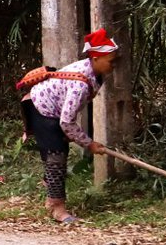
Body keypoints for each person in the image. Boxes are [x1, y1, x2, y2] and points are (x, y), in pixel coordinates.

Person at [19, 29, 118, 224]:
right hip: (41, 107)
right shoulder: (80, 84)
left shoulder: (95, 73)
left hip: (53, 110)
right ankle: (57, 208)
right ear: (96, 58)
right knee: (56, 156)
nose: (113, 65)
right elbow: (66, 122)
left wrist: (76, 138)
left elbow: (67, 117)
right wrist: (89, 143)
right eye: (110, 61)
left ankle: (51, 199)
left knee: (58, 152)